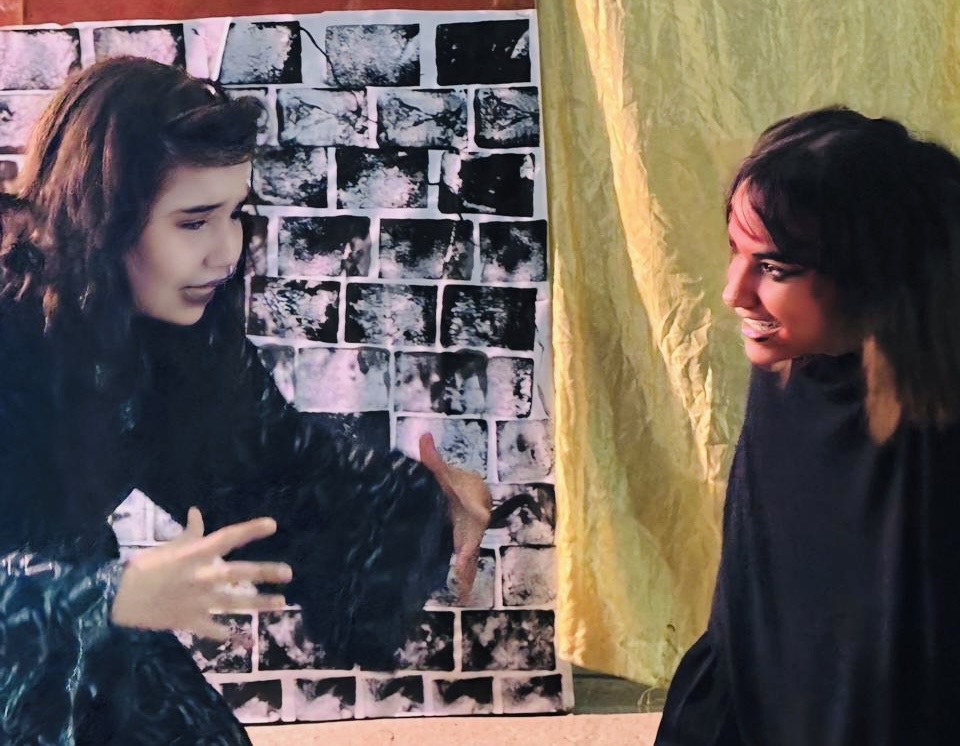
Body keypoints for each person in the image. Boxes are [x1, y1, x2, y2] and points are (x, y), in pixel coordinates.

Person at [0, 56, 490, 744]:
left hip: (78, 618)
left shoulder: (157, 331)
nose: (226, 251)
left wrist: (429, 505)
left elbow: (270, 467)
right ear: (101, 219)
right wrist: (105, 595)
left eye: (235, 213)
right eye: (193, 222)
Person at [655, 107, 960, 745]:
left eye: (774, 268)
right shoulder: (789, 373)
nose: (733, 293)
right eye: (736, 252)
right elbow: (755, 610)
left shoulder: (933, 432)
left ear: (874, 273)